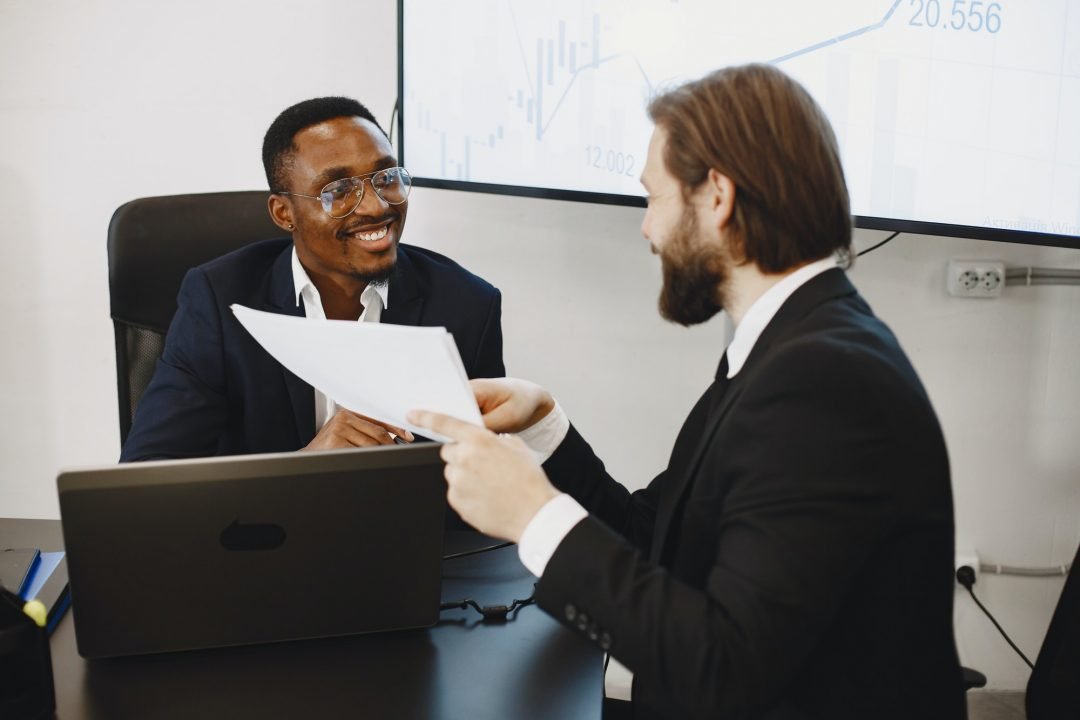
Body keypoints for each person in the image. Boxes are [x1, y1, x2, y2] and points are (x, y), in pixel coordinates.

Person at [409, 65, 965, 719]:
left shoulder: (821, 384)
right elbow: (657, 540)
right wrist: (544, 424)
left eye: (653, 198)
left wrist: (534, 516)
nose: (646, 228)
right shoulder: (790, 346)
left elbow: (724, 670)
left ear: (718, 196)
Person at [122, 97, 504, 461]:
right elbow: (149, 472)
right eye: (339, 190)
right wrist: (305, 465)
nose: (377, 206)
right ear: (283, 213)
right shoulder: (219, 303)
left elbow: (488, 470)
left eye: (386, 177)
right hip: (270, 510)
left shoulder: (467, 306)